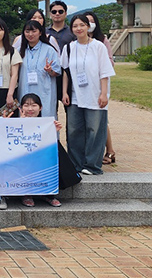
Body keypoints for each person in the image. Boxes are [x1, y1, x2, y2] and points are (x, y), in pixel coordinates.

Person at [61, 14, 116, 176]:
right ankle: (76, 164)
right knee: (74, 130)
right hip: (75, 95)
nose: (79, 28)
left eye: (82, 25)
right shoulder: (69, 48)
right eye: (75, 26)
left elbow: (104, 72)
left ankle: (92, 165)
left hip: (95, 94)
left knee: (95, 130)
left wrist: (104, 94)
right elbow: (65, 72)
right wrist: (64, 92)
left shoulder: (98, 46)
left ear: (88, 27)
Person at [18, 93, 63, 208]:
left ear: (40, 108)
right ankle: (26, 194)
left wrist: (54, 130)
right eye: (26, 105)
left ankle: (49, 194)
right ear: (21, 108)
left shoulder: (46, 124)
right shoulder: (16, 123)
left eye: (34, 105)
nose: (30, 109)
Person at [84, 11, 117, 165]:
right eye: (86, 21)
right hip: (84, 86)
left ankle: (110, 150)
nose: (89, 24)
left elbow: (110, 62)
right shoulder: (77, 41)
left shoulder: (102, 40)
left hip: (99, 84)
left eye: (91, 21)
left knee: (101, 119)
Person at [17, 20, 62, 118]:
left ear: (40, 32)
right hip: (25, 89)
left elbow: (57, 72)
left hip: (43, 91)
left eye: (34, 31)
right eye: (27, 31)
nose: (30, 34)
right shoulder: (20, 50)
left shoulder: (49, 50)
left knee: (45, 116)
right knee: (25, 117)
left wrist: (50, 70)